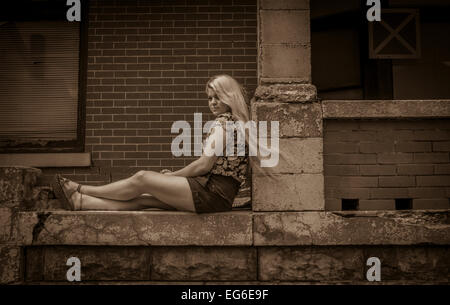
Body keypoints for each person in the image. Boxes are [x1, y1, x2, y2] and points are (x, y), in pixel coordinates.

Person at [52, 74, 249, 213]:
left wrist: (172, 176)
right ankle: (81, 202)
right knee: (145, 199)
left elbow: (203, 164)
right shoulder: (236, 124)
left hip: (211, 193)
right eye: (209, 98)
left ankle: (80, 189)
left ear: (229, 96)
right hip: (218, 196)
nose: (212, 102)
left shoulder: (225, 122)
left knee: (143, 179)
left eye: (217, 97)